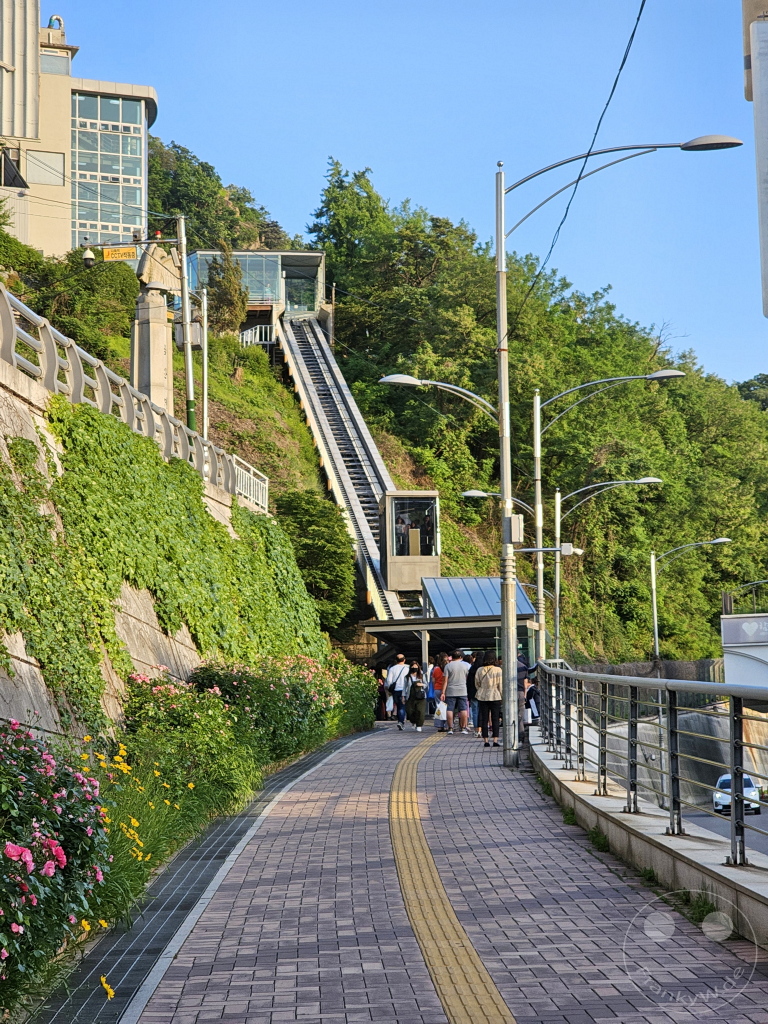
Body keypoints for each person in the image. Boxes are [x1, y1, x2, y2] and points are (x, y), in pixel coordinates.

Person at [475, 652, 503, 747]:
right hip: (495, 695)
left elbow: (477, 683)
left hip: (482, 695)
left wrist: (481, 689)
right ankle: (495, 740)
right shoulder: (498, 669)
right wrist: (502, 696)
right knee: (495, 718)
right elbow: (501, 685)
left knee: (484, 718)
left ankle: (486, 741)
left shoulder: (480, 670)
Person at [443, 650, 470, 734]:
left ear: (452, 657)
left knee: (450, 709)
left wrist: (443, 692)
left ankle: (450, 728)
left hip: (450, 690)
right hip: (462, 690)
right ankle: (463, 728)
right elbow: (467, 678)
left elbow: (445, 681)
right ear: (461, 657)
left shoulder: (448, 666)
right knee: (463, 709)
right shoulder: (465, 666)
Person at [387, 654, 410, 730]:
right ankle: (401, 722)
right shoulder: (408, 668)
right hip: (405, 690)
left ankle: (401, 721)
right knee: (402, 707)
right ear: (404, 660)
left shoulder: (392, 669)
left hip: (396, 690)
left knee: (399, 706)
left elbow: (389, 681)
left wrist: (390, 688)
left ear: (396, 660)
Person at [404, 661, 427, 731]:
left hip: (421, 696)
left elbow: (426, 684)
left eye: (416, 667)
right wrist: (403, 696)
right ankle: (413, 721)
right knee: (410, 711)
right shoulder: (407, 677)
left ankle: (419, 725)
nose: (414, 668)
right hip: (411, 696)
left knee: (420, 711)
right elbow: (404, 687)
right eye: (413, 667)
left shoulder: (422, 676)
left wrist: (422, 685)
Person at [431, 652, 448, 731]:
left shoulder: (436, 669)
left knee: (439, 708)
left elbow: (433, 680)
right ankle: (448, 725)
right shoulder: (447, 668)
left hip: (437, 689)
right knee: (448, 708)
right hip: (447, 690)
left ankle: (439, 726)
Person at [466, 652, 481, 736]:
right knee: (482, 711)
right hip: (482, 693)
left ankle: (476, 729)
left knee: (475, 711)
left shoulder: (472, 669)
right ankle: (481, 729)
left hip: (473, 693)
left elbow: (468, 683)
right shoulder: (482, 669)